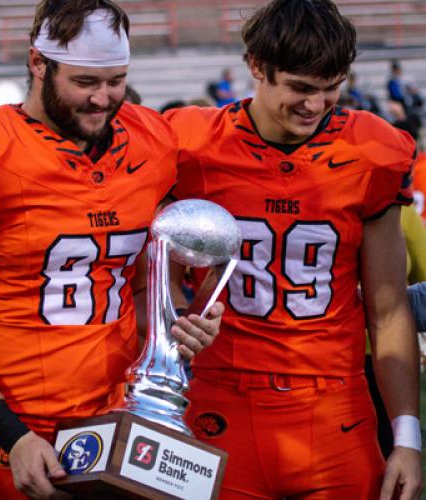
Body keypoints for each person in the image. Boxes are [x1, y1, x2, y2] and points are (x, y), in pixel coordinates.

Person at [0, 1, 223, 499]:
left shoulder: (153, 141)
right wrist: (11, 434)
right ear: (38, 63)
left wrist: (179, 321)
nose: (103, 99)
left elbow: (141, 278)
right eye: (85, 82)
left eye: (116, 81)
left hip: (119, 422)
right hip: (10, 431)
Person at [165, 0, 422, 499]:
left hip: (334, 408)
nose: (316, 105)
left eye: (331, 89)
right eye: (301, 88)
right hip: (219, 399)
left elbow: (388, 310)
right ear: (257, 67)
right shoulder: (190, 144)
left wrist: (407, 438)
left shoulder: (371, 152)